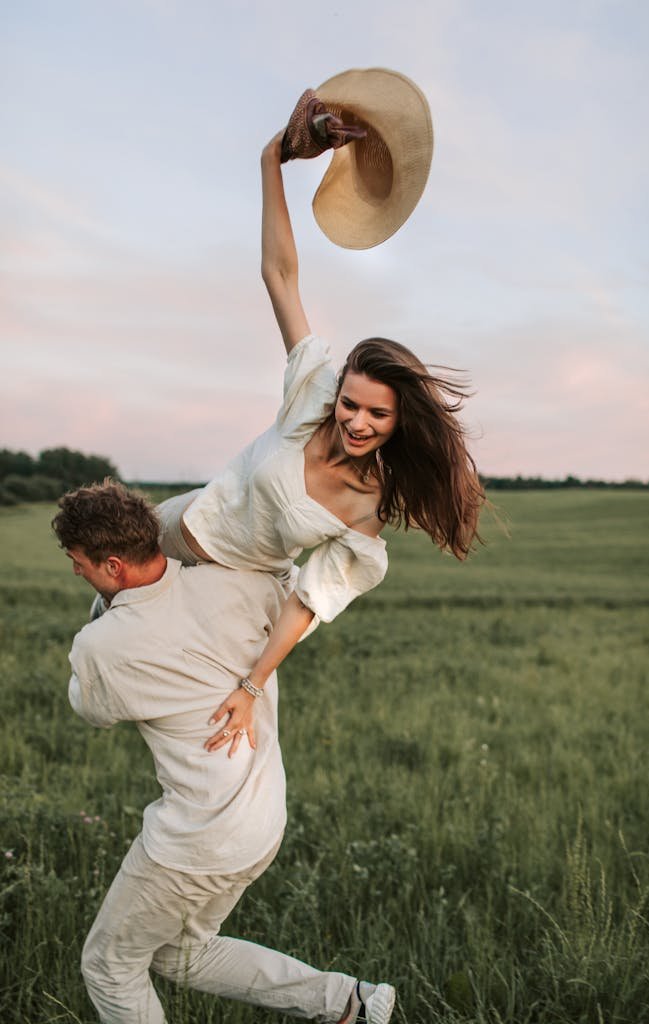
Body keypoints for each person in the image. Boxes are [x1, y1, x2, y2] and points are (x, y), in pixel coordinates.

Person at [155, 131, 485, 758]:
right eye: (351, 404)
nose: (358, 422)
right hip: (182, 521)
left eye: (377, 415)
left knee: (194, 715)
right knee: (103, 591)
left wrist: (254, 683)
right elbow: (279, 273)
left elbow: (307, 600)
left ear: (399, 420)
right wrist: (270, 159)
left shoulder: (368, 507)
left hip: (239, 586)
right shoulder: (312, 392)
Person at [52, 480, 396, 1024]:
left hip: (196, 839)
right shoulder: (233, 583)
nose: (76, 571)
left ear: (113, 566)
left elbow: (90, 709)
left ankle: (343, 1003)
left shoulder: (102, 645)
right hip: (261, 824)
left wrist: (101, 611)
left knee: (109, 965)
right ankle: (346, 1002)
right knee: (182, 953)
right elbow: (286, 592)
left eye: (79, 562)